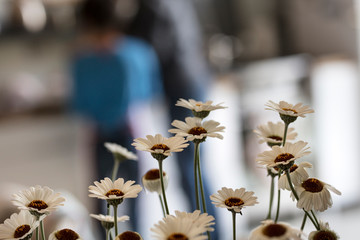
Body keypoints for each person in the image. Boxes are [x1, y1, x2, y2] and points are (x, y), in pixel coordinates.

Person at [127, 1, 219, 239]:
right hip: (188, 82)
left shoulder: (154, 5)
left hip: (183, 87)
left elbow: (152, 46)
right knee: (192, 168)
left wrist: (122, 37)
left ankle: (212, 234)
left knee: (191, 170)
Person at [70, 0, 163, 233]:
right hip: (127, 132)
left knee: (106, 204)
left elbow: (80, 105)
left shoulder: (83, 61)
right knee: (131, 203)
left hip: (111, 134)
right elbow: (150, 92)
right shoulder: (140, 53)